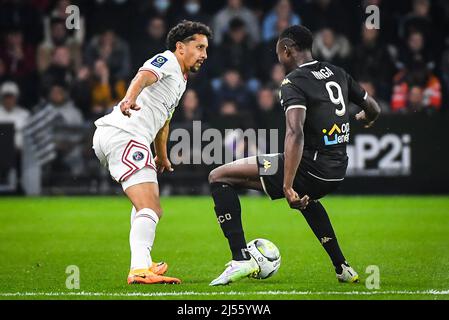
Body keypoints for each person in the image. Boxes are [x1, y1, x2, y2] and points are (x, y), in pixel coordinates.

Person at [208, 25, 380, 286]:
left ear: (287, 49)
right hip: (336, 170)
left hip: (310, 168)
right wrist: (362, 118)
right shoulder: (337, 72)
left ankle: (241, 258)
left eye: (278, 51)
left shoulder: (293, 82)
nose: (278, 57)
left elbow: (295, 133)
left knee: (218, 176)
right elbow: (373, 109)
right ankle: (341, 266)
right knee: (306, 198)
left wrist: (287, 185)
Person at [92, 20, 211, 285]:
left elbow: (163, 121)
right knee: (151, 207)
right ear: (180, 47)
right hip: (125, 135)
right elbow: (142, 76)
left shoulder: (180, 78)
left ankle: (144, 263)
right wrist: (129, 98)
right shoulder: (167, 60)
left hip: (126, 137)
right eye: (199, 47)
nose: (204, 54)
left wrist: (163, 155)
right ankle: (137, 269)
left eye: (206, 48)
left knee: (145, 205)